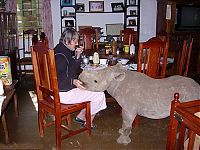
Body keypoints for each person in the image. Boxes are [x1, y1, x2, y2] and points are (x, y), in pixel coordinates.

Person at [54, 28, 107, 128]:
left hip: (60, 89)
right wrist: (73, 81)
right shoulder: (61, 56)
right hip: (63, 92)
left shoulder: (61, 49)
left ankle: (81, 116)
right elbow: (58, 76)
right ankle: (88, 122)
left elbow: (70, 69)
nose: (77, 43)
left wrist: (78, 55)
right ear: (67, 41)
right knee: (99, 94)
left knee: (92, 87)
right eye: (75, 41)